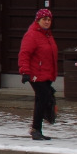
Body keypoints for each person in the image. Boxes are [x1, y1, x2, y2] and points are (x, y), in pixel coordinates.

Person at [18, 8, 60, 140]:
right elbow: (24, 54)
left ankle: (37, 129)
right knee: (43, 99)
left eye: (49, 19)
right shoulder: (32, 35)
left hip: (46, 74)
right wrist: (25, 71)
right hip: (36, 74)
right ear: (38, 20)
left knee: (42, 99)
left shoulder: (47, 35)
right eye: (44, 19)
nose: (47, 22)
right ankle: (36, 129)